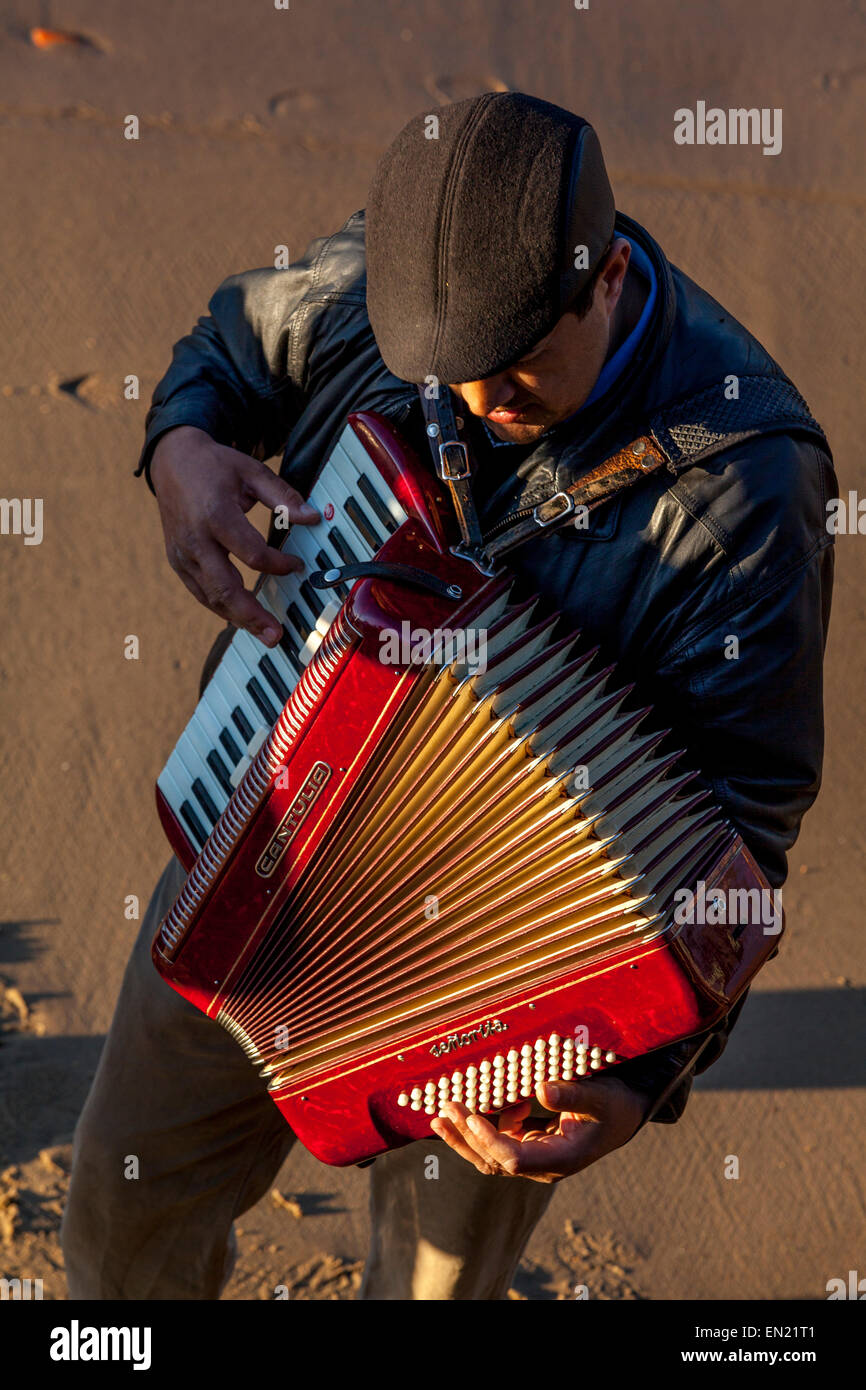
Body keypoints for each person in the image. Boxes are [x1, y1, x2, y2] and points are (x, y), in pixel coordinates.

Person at [62, 92, 834, 1300]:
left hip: (501, 976)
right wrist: (180, 447)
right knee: (117, 1212)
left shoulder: (742, 486)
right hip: (252, 835)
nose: (477, 406)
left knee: (428, 1295)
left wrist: (635, 1081)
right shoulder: (396, 268)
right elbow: (233, 344)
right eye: (449, 376)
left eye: (516, 368)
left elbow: (743, 821)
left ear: (608, 279)